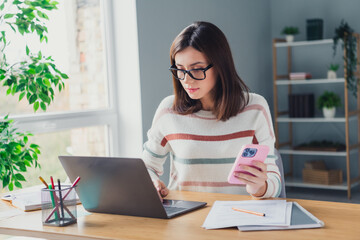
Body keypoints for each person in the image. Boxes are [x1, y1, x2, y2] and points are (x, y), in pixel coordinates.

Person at [142, 21, 281, 199]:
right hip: (186, 217)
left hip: (239, 216)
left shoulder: (255, 109)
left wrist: (260, 187)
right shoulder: (169, 110)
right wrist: (152, 182)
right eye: (180, 69)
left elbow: (274, 181)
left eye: (197, 69)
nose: (186, 80)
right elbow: (147, 166)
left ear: (220, 66)